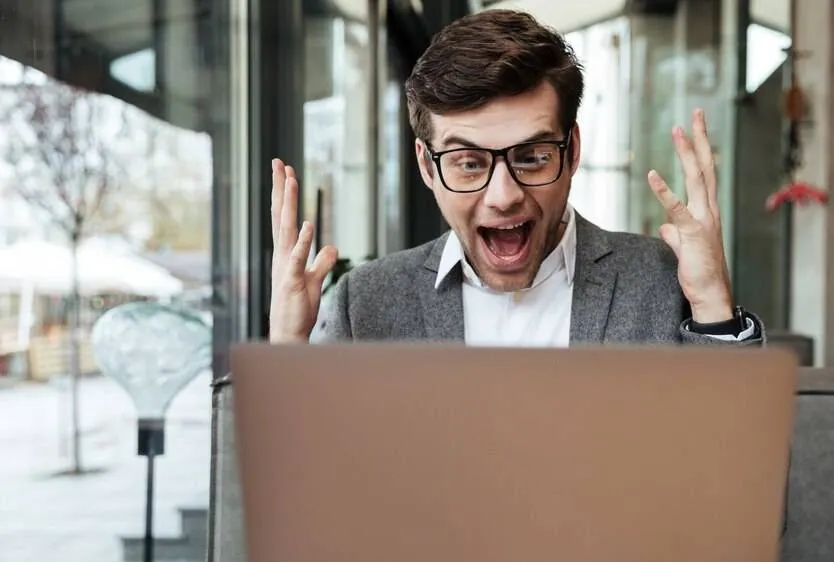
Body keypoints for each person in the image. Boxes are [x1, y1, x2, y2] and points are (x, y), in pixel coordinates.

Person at [267, 9, 764, 347]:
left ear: (572, 153)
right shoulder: (365, 304)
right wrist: (286, 357)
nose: (504, 197)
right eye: (468, 162)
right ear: (426, 165)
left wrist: (714, 305)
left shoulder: (662, 280)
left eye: (530, 157)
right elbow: (312, 493)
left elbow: (744, 487)